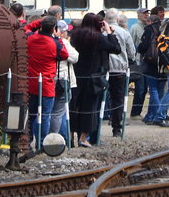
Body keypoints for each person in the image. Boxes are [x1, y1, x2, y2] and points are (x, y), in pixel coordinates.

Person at [71, 13, 120, 148]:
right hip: (94, 78)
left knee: (75, 107)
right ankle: (83, 137)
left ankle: (71, 137)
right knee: (91, 109)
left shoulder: (75, 36)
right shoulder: (98, 38)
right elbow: (116, 49)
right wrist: (110, 32)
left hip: (77, 76)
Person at [27, 16, 68, 149]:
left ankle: (28, 140)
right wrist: (58, 38)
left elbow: (26, 28)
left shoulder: (30, 38)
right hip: (47, 85)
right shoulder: (54, 43)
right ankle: (42, 143)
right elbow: (65, 55)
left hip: (32, 82)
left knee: (32, 114)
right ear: (54, 29)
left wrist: (41, 21)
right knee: (45, 115)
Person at [104, 9, 137, 137]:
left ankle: (103, 119)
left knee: (103, 97)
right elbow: (131, 53)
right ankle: (116, 127)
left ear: (105, 20)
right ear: (117, 20)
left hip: (105, 70)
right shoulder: (124, 33)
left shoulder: (102, 34)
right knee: (118, 99)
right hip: (120, 69)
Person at [49, 20, 79, 143]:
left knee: (53, 112)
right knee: (59, 112)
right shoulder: (63, 43)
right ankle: (58, 140)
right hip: (62, 80)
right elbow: (75, 57)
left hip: (49, 80)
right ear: (60, 32)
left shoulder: (45, 41)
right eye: (66, 31)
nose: (67, 33)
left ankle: (61, 139)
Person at [128, 8, 150, 119]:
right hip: (138, 61)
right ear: (138, 15)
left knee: (144, 87)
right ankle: (135, 112)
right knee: (140, 87)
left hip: (145, 61)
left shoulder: (147, 27)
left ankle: (137, 111)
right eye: (144, 13)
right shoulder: (134, 28)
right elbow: (130, 43)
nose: (146, 15)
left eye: (147, 13)